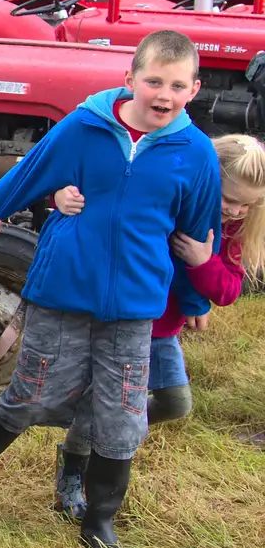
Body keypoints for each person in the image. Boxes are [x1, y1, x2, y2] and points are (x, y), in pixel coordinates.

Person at [0, 29, 221, 548]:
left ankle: (98, 521)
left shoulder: (196, 154)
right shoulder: (84, 128)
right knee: (28, 397)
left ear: (195, 89)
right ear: (130, 79)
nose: (164, 94)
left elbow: (196, 235)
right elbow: (20, 181)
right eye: (153, 81)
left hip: (133, 308)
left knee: (121, 415)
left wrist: (193, 302)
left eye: (177, 85)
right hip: (63, 291)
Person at [47, 133, 265, 518]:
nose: (235, 211)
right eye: (229, 199)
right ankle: (72, 472)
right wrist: (61, 197)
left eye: (247, 205)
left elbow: (229, 290)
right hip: (123, 319)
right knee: (96, 408)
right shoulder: (172, 200)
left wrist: (202, 261)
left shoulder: (233, 231)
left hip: (164, 331)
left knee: (176, 403)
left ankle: (113, 426)